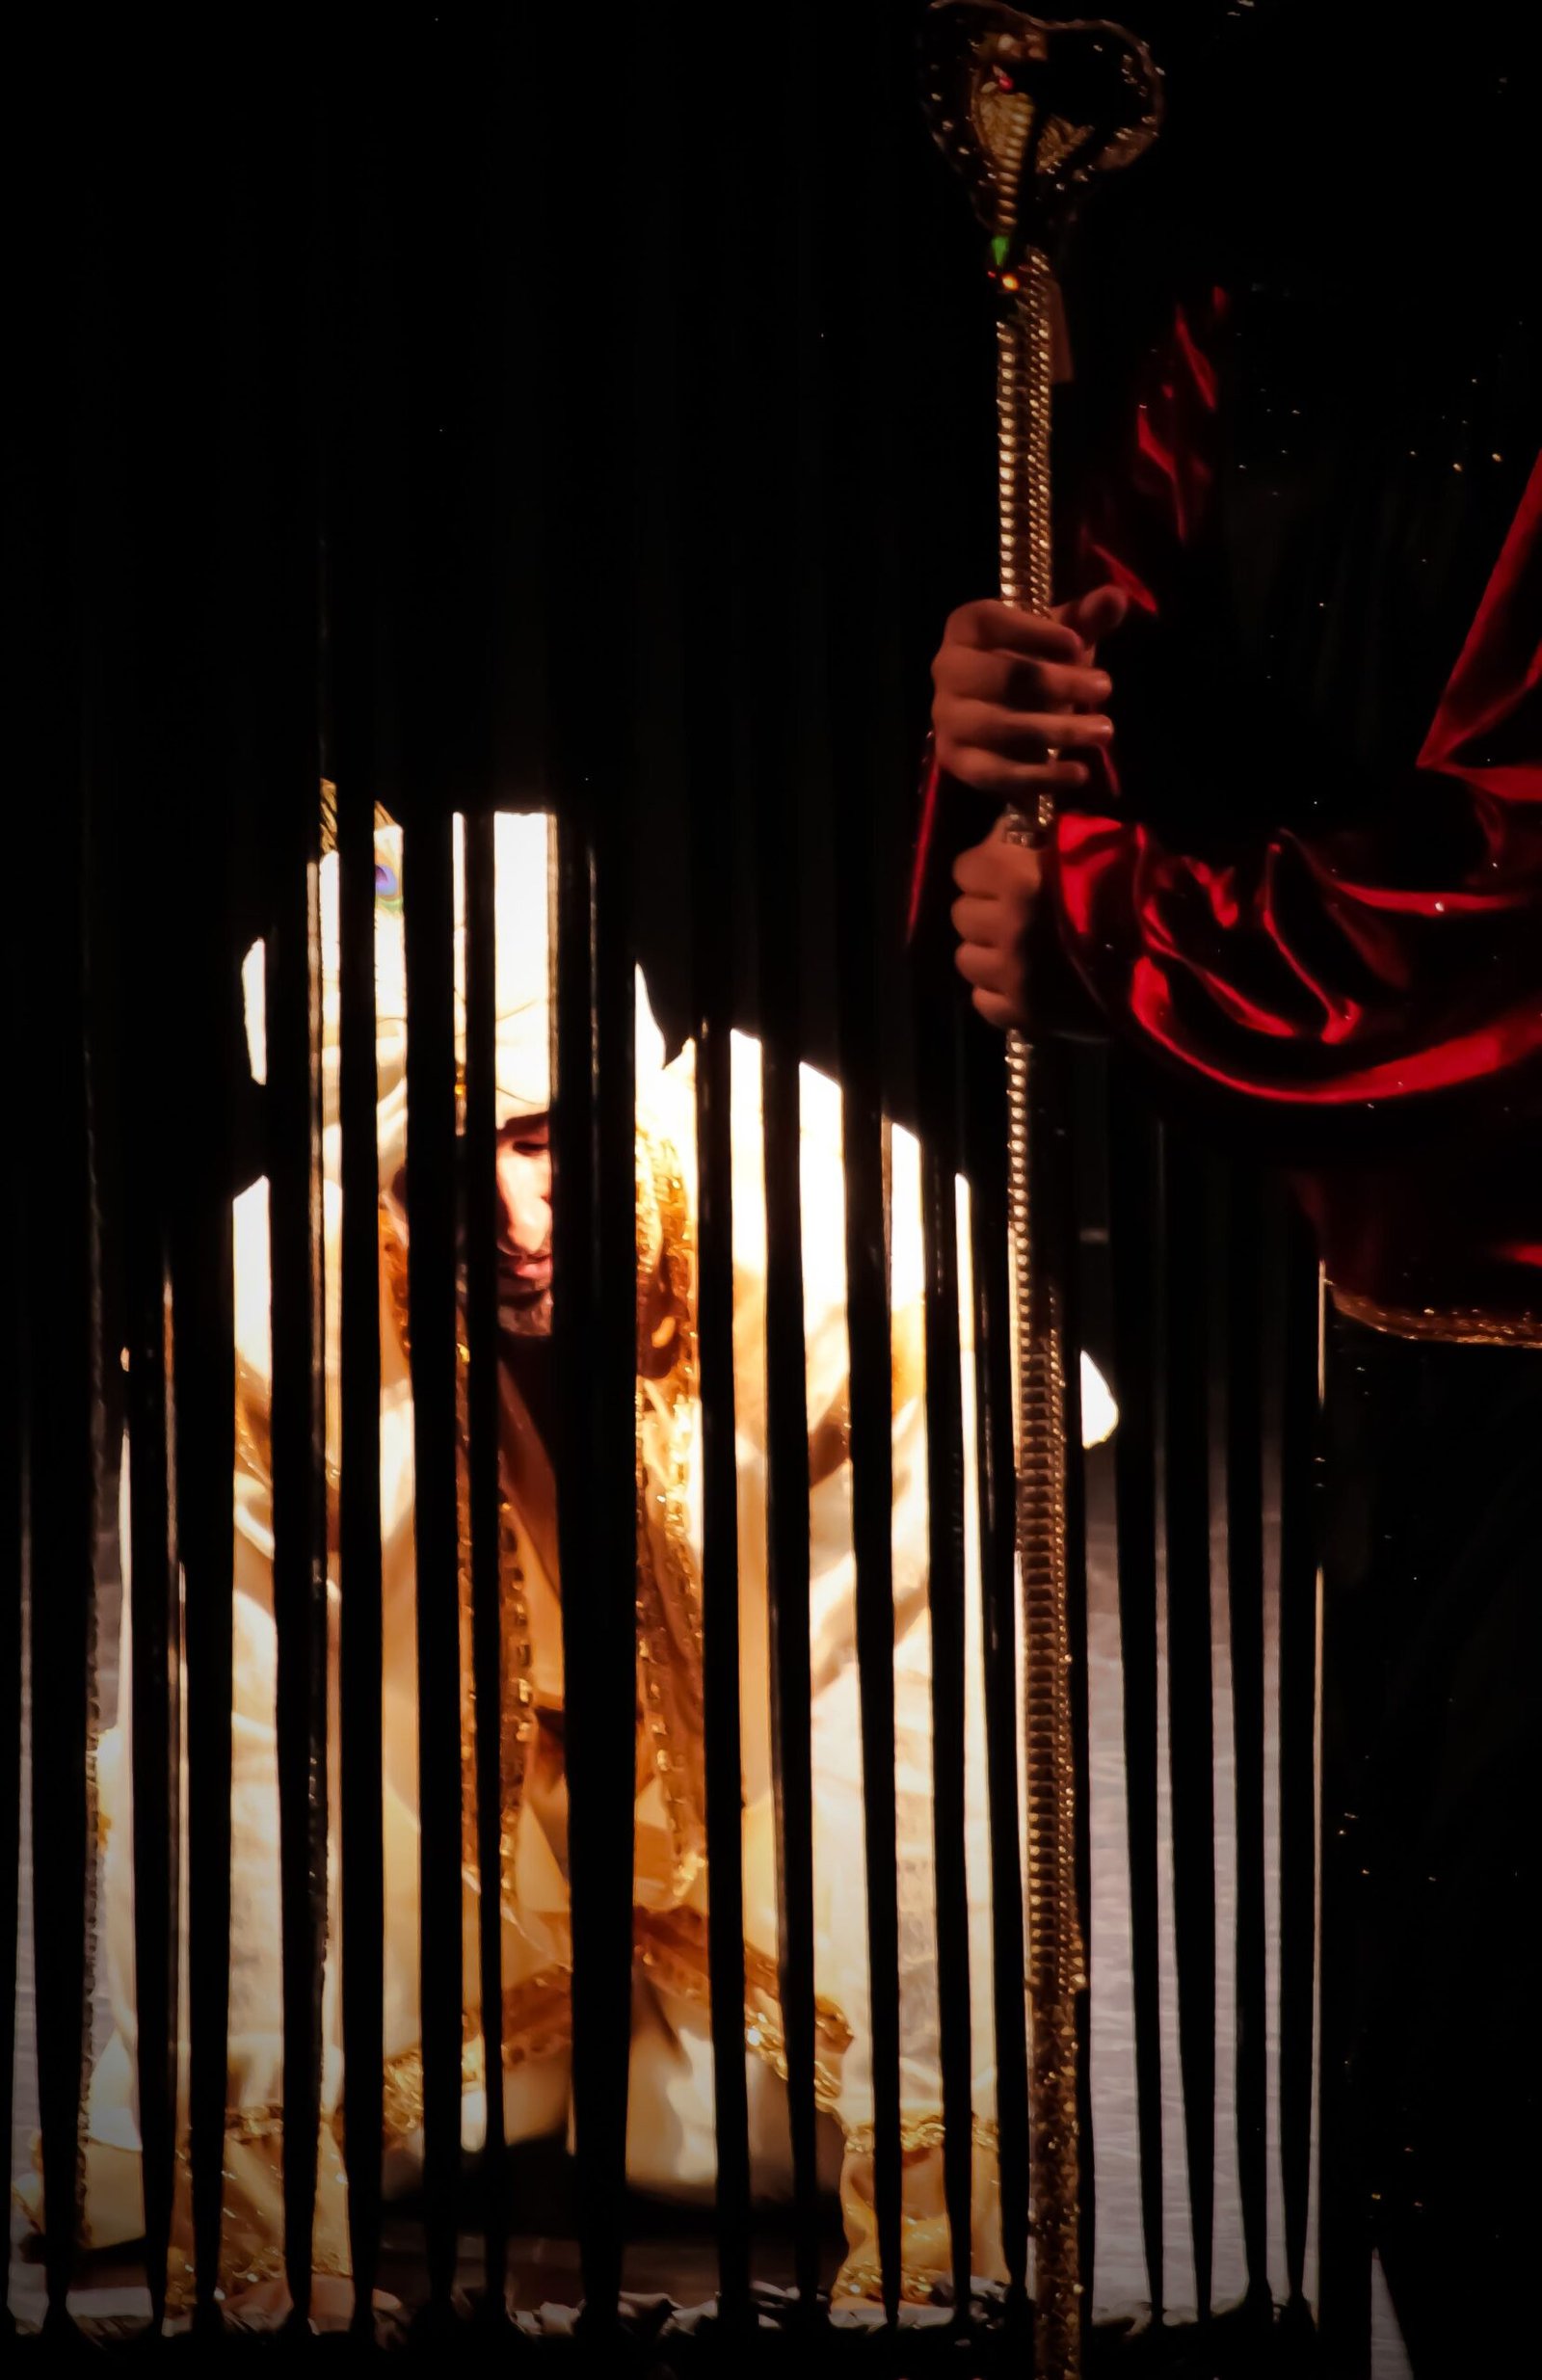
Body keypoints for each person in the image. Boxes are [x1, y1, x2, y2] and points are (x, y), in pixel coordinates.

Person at [21, 807, 1117, 2315]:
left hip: (776, 1859)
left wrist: (937, 2227)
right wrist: (263, 2235)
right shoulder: (267, 1320)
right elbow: (234, 1752)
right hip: (463, 1890)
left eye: (545, 1143)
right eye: (438, 1169)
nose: (514, 1223)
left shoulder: (843, 1254)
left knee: (823, 2086)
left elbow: (914, 1735)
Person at [917, 8, 1539, 2363]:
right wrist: (1011, 724)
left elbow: (1490, 909)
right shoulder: (1238, 327)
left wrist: (1093, 925)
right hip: (1392, 1363)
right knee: (1411, 2085)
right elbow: (1120, 666)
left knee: (1495, 2056)